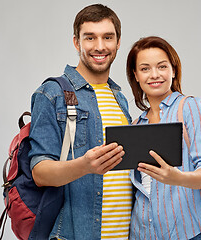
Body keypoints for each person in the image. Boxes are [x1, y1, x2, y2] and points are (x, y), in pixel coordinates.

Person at [28, 4, 133, 240]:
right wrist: (85, 166)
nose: (99, 46)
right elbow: (40, 172)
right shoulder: (51, 93)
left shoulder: (119, 98)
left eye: (108, 37)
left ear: (118, 42)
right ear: (77, 43)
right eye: (90, 37)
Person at [126, 36, 201, 240]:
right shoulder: (136, 125)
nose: (154, 75)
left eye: (162, 67)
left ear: (173, 70)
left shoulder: (189, 107)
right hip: (143, 234)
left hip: (191, 233)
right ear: (135, 75)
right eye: (145, 69)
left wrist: (177, 178)